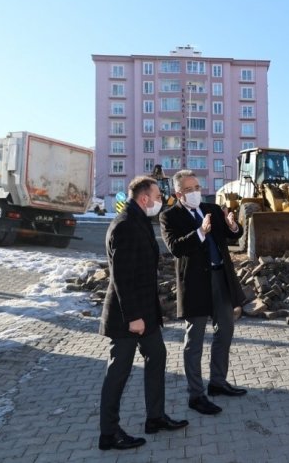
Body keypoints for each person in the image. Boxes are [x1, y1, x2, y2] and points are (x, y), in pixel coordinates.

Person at [98, 176, 188, 451]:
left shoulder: (139, 221)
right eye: (158, 195)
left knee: (157, 355)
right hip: (129, 316)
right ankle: (109, 434)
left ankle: (155, 418)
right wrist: (134, 317)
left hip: (145, 314)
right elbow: (122, 278)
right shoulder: (125, 225)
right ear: (144, 198)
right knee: (119, 373)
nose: (161, 200)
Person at [160, 169, 247, 416]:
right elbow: (176, 248)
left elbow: (232, 236)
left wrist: (233, 226)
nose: (196, 192)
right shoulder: (170, 217)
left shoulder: (212, 208)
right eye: (190, 189)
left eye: (197, 187)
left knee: (226, 330)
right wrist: (200, 232)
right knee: (194, 339)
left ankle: (217, 383)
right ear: (179, 193)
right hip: (196, 283)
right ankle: (196, 395)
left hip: (221, 277)